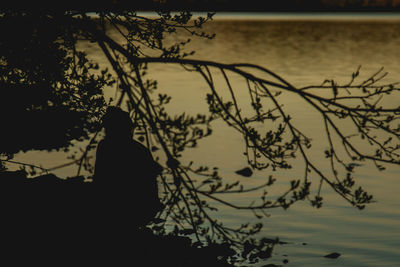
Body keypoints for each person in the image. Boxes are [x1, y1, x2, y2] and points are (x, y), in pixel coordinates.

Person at [93, 106, 163, 229]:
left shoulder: (107, 147)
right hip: (136, 207)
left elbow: (99, 180)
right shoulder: (139, 150)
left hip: (133, 207)